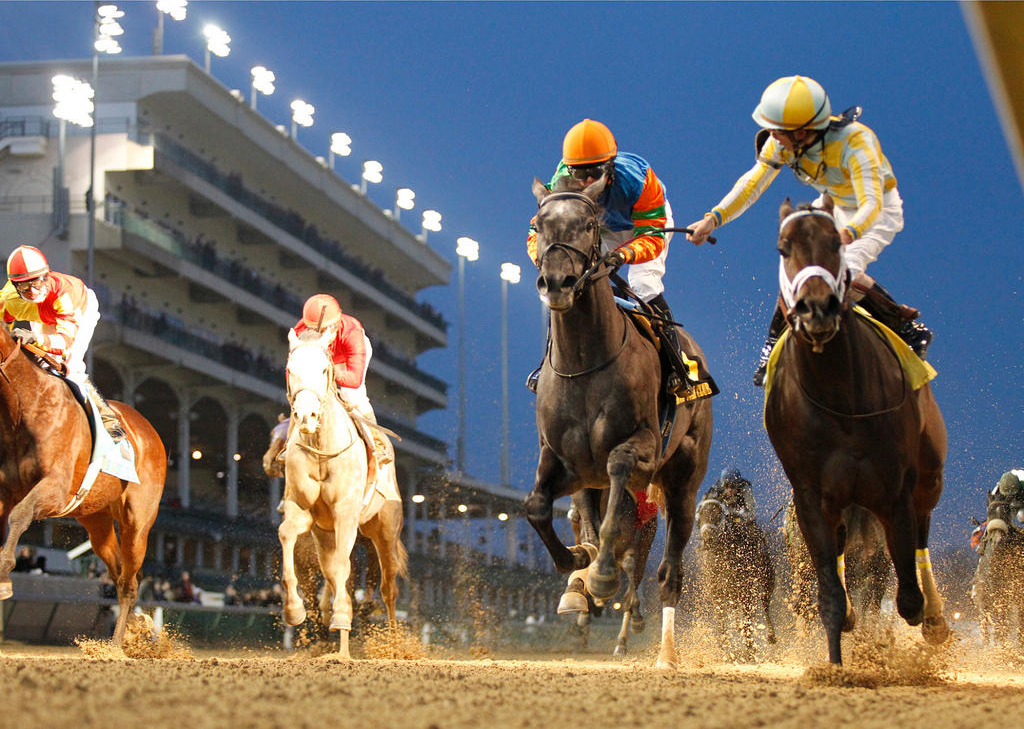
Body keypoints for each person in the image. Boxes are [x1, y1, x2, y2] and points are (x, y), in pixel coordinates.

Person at [685, 76, 933, 386]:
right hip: (834, 203)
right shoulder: (785, 143)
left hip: (877, 212)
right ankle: (773, 343)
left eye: (778, 131)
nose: (772, 137)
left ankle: (906, 328)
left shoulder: (857, 143)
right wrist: (712, 219)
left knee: (844, 270)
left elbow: (871, 202)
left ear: (802, 132)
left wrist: (848, 235)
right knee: (796, 261)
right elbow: (753, 182)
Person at [526, 119, 696, 398]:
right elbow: (537, 229)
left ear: (611, 165)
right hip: (596, 227)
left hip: (642, 225)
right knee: (567, 284)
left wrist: (625, 253)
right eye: (580, 173)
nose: (588, 181)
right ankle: (548, 362)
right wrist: (543, 260)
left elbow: (652, 237)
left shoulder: (639, 180)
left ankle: (676, 366)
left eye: (595, 171)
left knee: (643, 285)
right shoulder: (561, 183)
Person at [1, 244, 125, 442]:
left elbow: (65, 342)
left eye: (36, 282)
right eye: (24, 286)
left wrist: (36, 339)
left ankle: (109, 421)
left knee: (68, 365)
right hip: (42, 314)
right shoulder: (9, 298)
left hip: (78, 312)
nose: (32, 291)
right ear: (14, 286)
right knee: (37, 364)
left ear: (46, 276)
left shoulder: (66, 294)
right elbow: (3, 330)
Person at [291, 293, 391, 464]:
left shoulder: (352, 333)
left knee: (353, 396)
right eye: (316, 330)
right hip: (320, 358)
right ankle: (287, 445)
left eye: (326, 330)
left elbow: (354, 380)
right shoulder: (300, 332)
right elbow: (292, 369)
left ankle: (377, 443)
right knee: (303, 396)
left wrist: (328, 373)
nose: (321, 334)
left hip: (345, 357)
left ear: (336, 324)